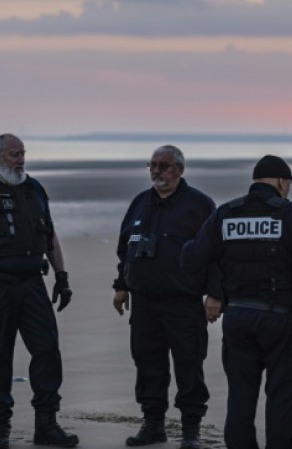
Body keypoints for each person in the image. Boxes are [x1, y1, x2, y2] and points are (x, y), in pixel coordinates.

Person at [181, 154, 292, 449]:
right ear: (282, 182)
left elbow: (192, 259)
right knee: (283, 398)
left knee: (240, 396)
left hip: (238, 319)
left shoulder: (225, 214)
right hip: (282, 321)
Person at [0, 133, 78, 448]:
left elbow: (50, 234)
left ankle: (47, 424)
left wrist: (62, 276)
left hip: (33, 283)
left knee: (47, 350)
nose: (20, 160)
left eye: (23, 153)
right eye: (13, 154)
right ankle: (0, 427)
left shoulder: (34, 189)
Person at [113, 145, 218, 448]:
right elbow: (125, 248)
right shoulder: (140, 203)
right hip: (144, 303)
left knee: (189, 366)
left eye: (164, 165)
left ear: (180, 170)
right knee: (148, 366)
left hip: (183, 302)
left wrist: (215, 294)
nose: (157, 171)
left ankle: (190, 429)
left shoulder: (199, 205)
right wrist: (121, 285)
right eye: (152, 165)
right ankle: (153, 424)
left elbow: (215, 255)